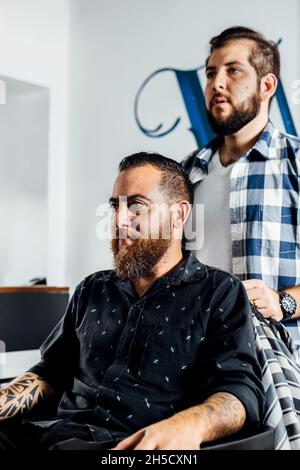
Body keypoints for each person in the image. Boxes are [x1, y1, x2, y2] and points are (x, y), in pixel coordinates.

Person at [0, 152, 264, 450]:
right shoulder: (92, 289)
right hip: (48, 435)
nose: (119, 220)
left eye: (136, 206)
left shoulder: (219, 292)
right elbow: (53, 369)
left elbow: (239, 391)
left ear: (179, 215)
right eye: (115, 207)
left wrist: (189, 425)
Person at [182, 26, 300, 353]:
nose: (216, 83)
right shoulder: (186, 172)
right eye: (210, 73)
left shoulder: (296, 163)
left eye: (233, 70)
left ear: (267, 85)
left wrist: (284, 303)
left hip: (278, 364)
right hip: (196, 361)